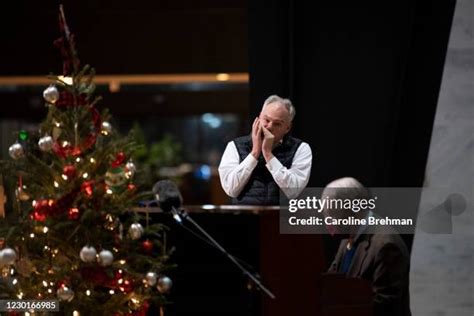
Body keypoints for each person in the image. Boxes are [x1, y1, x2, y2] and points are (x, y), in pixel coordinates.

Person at [323, 177, 411, 316]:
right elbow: (331, 284)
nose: (331, 228)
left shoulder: (387, 246)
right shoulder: (346, 239)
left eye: (333, 217)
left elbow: (383, 308)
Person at [218, 95, 312, 205]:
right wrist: (254, 153)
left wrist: (268, 154)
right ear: (258, 118)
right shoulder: (235, 146)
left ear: (287, 128)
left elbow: (293, 191)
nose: (269, 126)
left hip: (281, 218)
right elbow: (231, 190)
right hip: (245, 217)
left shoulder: (301, 148)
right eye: (266, 120)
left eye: (277, 123)